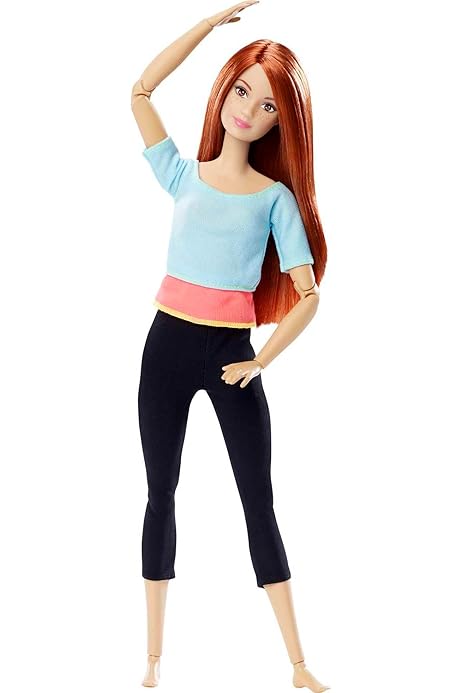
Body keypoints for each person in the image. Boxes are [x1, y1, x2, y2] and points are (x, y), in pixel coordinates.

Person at [131, 2, 329, 690]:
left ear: (281, 122)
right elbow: (140, 91)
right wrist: (209, 26)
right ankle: (152, 659)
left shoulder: (275, 198)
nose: (248, 110)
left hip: (233, 358)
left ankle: (297, 662)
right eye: (242, 90)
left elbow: (308, 295)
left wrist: (261, 361)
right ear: (223, 90)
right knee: (161, 491)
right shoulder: (182, 174)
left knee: (258, 499)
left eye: (267, 105)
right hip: (165, 347)